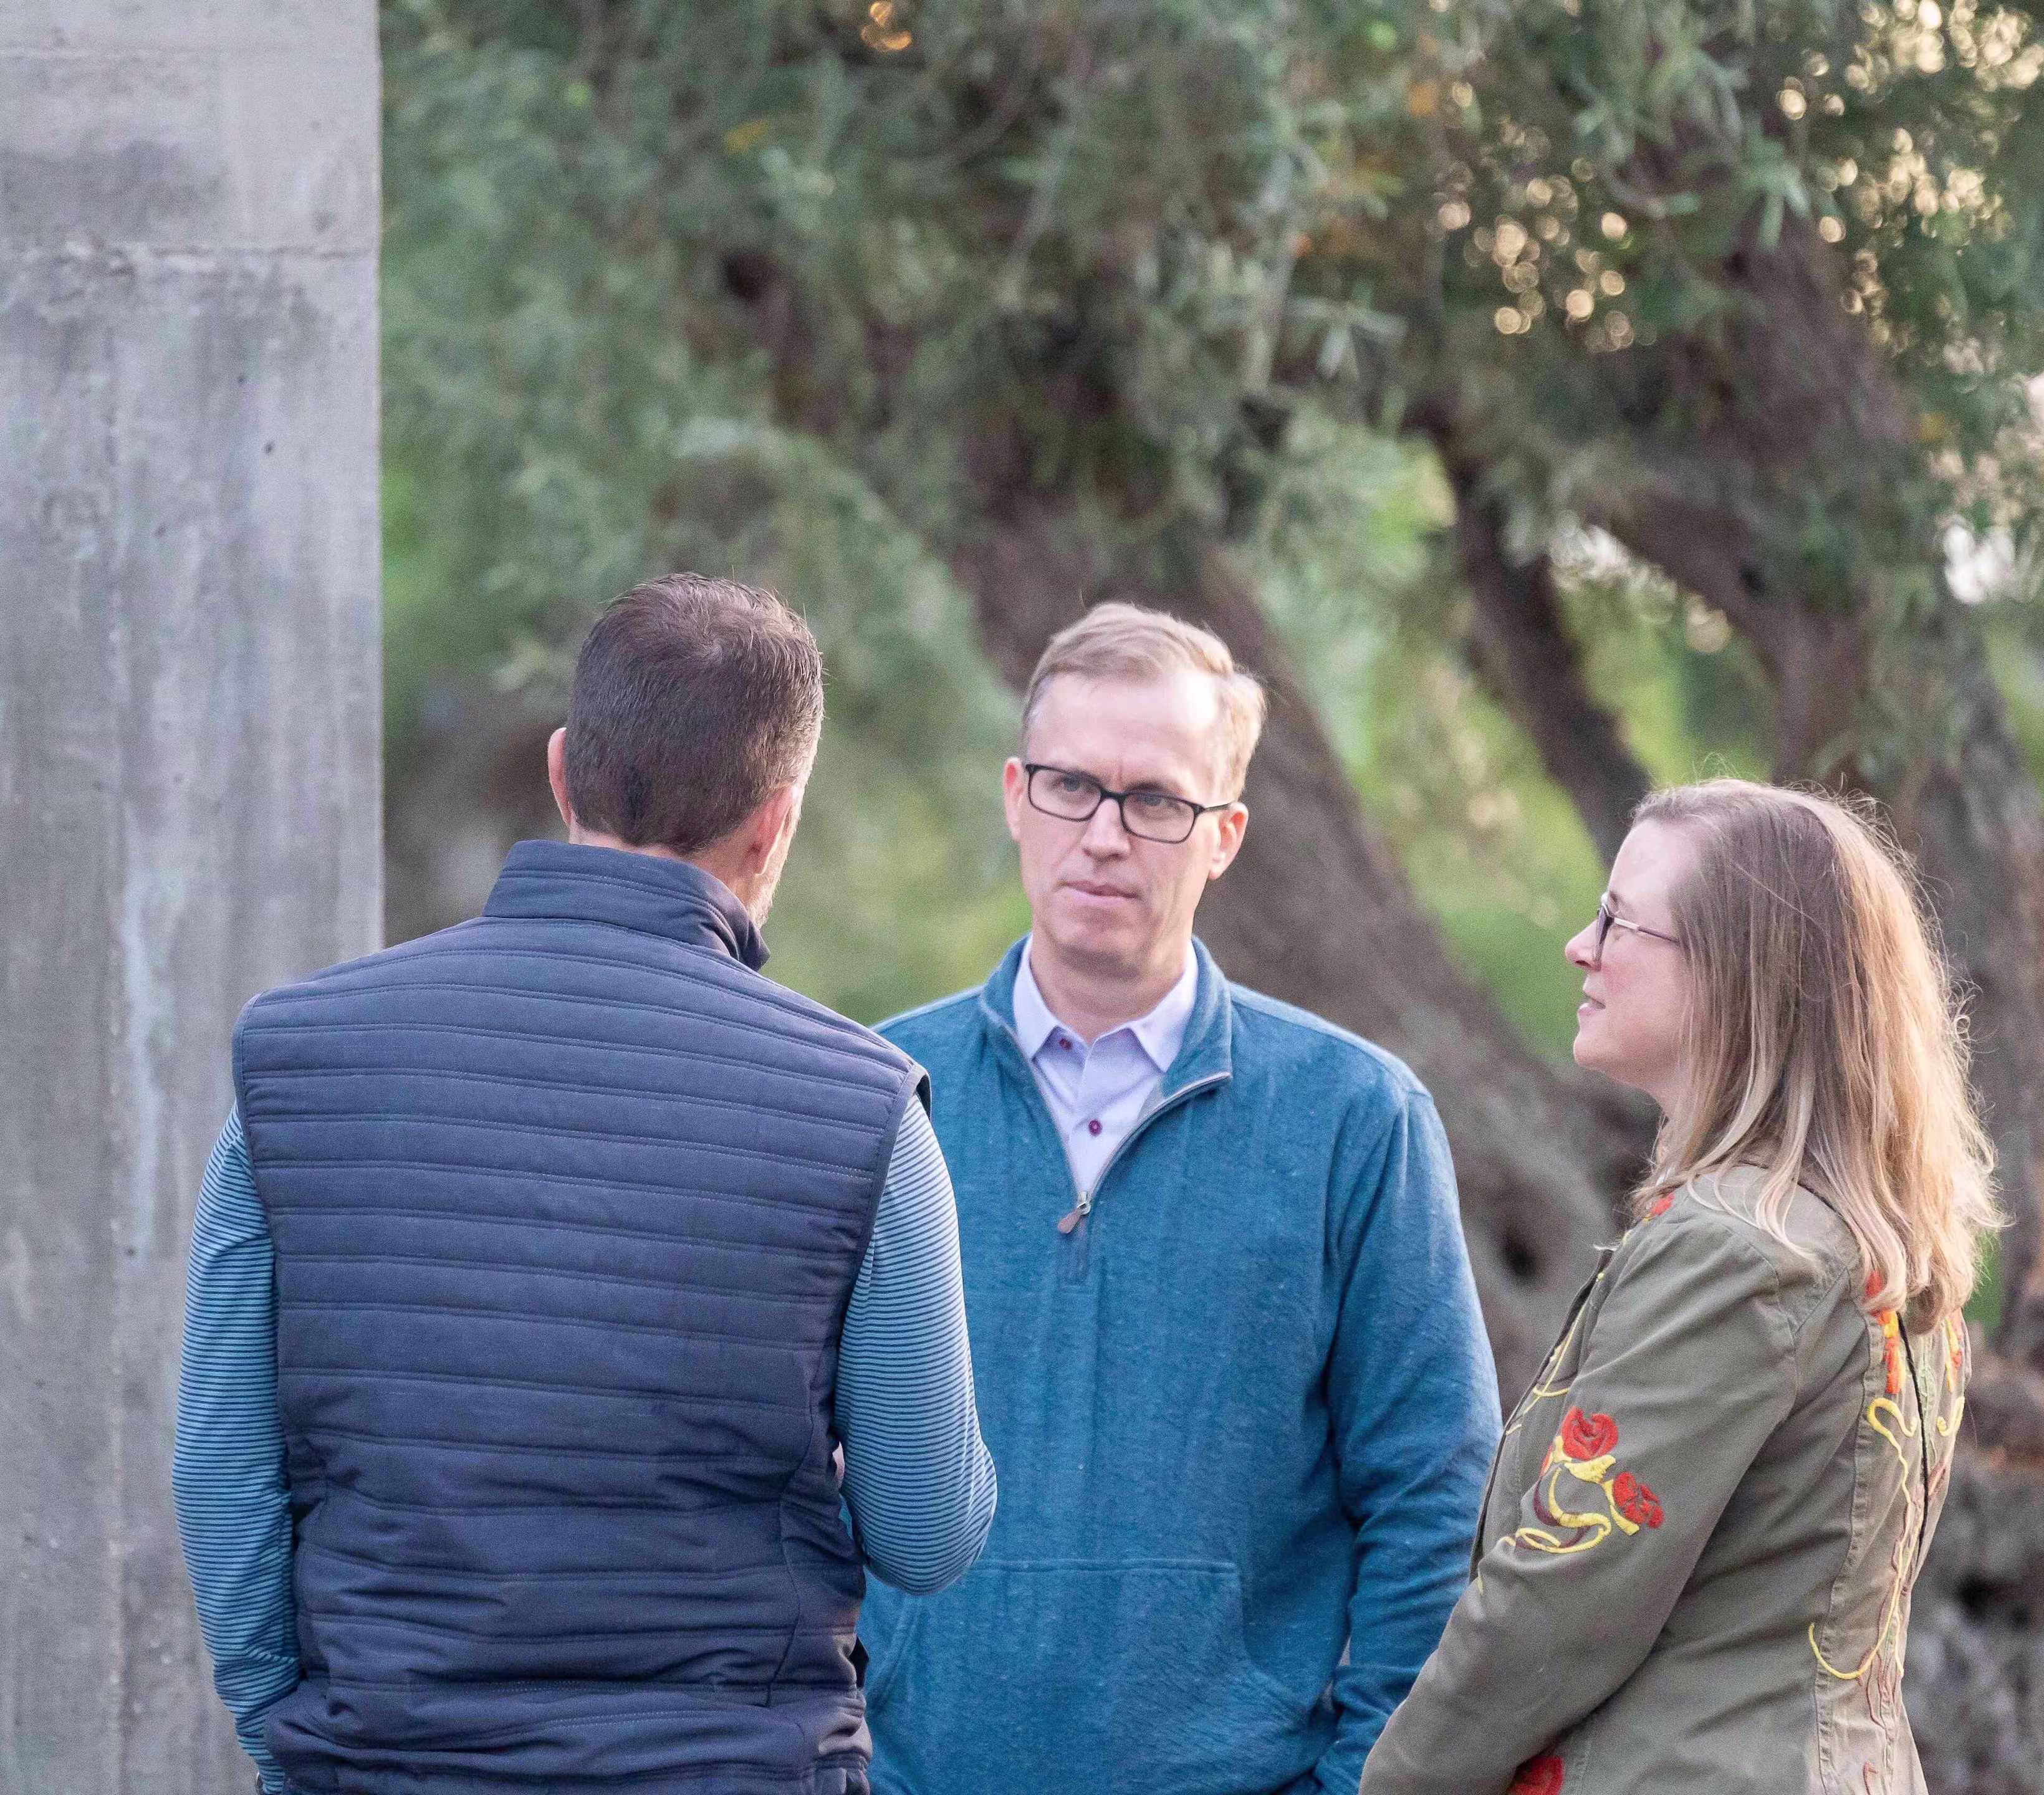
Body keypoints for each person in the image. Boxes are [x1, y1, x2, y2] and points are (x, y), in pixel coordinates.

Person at [171, 574, 996, 1795]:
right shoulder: (867, 1111)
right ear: (777, 823)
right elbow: (927, 1534)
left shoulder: (298, 1064)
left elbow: (222, 1480)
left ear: (563, 772)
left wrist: (299, 1732)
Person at [858, 601, 1501, 1795]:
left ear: (1226, 835)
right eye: (1069, 788)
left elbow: (1434, 1497)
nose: (1104, 835)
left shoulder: (1358, 1120)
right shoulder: (880, 1096)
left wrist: (1359, 1782)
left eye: (1157, 802)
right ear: (1014, 796)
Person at [1362, 779, 2002, 1795]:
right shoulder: (1884, 1255)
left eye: (1619, 920)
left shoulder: (1735, 1251)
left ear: (1739, 976)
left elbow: (1558, 1604)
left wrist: (1392, 1784)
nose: (1581, 945)